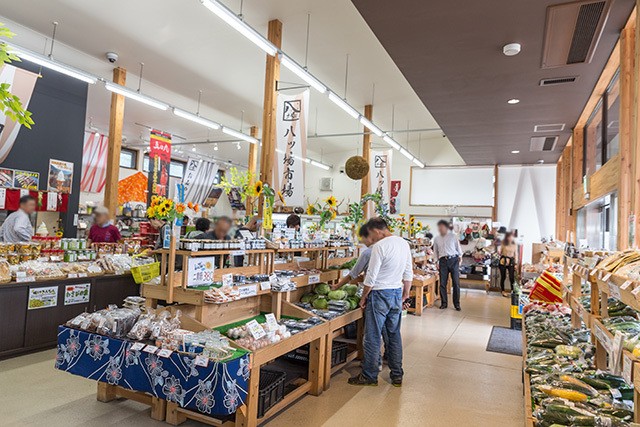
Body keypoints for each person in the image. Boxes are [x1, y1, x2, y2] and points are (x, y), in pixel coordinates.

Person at [348, 217, 412, 387]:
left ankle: (369, 375)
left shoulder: (380, 246)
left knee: (373, 336)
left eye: (371, 234)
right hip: (396, 292)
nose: (372, 238)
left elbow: (371, 276)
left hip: (379, 294)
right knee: (394, 335)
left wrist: (363, 297)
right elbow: (408, 272)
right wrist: (406, 292)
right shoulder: (403, 243)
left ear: (377, 231)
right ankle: (397, 375)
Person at [433, 219, 463, 311]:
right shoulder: (436, 238)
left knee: (456, 283)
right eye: (440, 227)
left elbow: (459, 249)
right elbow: (435, 252)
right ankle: (444, 303)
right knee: (442, 283)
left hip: (454, 260)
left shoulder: (453, 236)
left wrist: (460, 259)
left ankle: (457, 304)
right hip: (443, 261)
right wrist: (436, 262)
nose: (441, 228)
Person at [498, 232, 518, 297]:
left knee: (511, 277)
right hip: (503, 261)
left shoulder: (515, 244)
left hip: (511, 261)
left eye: (511, 237)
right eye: (509, 237)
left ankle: (512, 291)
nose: (510, 238)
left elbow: (516, 254)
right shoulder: (503, 243)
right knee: (503, 277)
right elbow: (500, 252)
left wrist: (516, 263)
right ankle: (503, 290)